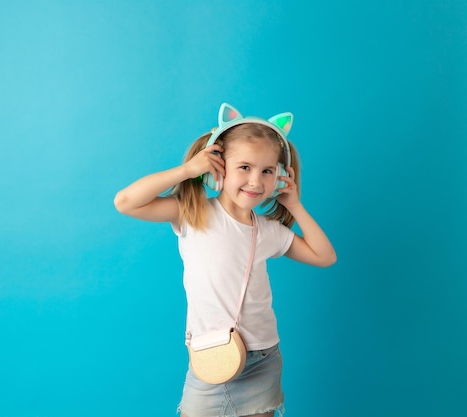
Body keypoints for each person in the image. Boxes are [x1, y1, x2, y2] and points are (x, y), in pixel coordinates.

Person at [114, 103, 336, 417]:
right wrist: (188, 170)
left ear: (281, 176)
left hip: (262, 358)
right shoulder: (194, 214)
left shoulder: (269, 232)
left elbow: (325, 256)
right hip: (213, 355)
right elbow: (125, 202)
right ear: (218, 168)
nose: (256, 182)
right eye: (244, 167)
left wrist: (295, 206)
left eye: (267, 171)